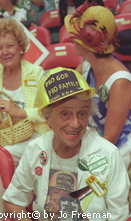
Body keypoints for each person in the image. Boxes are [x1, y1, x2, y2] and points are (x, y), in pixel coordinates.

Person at [3, 67, 129, 221]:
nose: (75, 124)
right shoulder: (35, 149)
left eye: (82, 113)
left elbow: (119, 217)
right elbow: (13, 201)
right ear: (48, 119)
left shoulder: (109, 154)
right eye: (65, 114)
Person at [64, 1, 131, 170]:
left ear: (86, 43)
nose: (71, 37)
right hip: (94, 136)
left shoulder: (120, 81)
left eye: (75, 34)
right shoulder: (87, 63)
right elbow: (67, 89)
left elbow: (111, 139)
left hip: (120, 149)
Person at [0, 17, 49, 168]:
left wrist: (20, 112)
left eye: (10, 46)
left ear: (21, 46)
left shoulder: (36, 73)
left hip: (36, 134)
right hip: (7, 137)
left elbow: (47, 111)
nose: (5, 52)